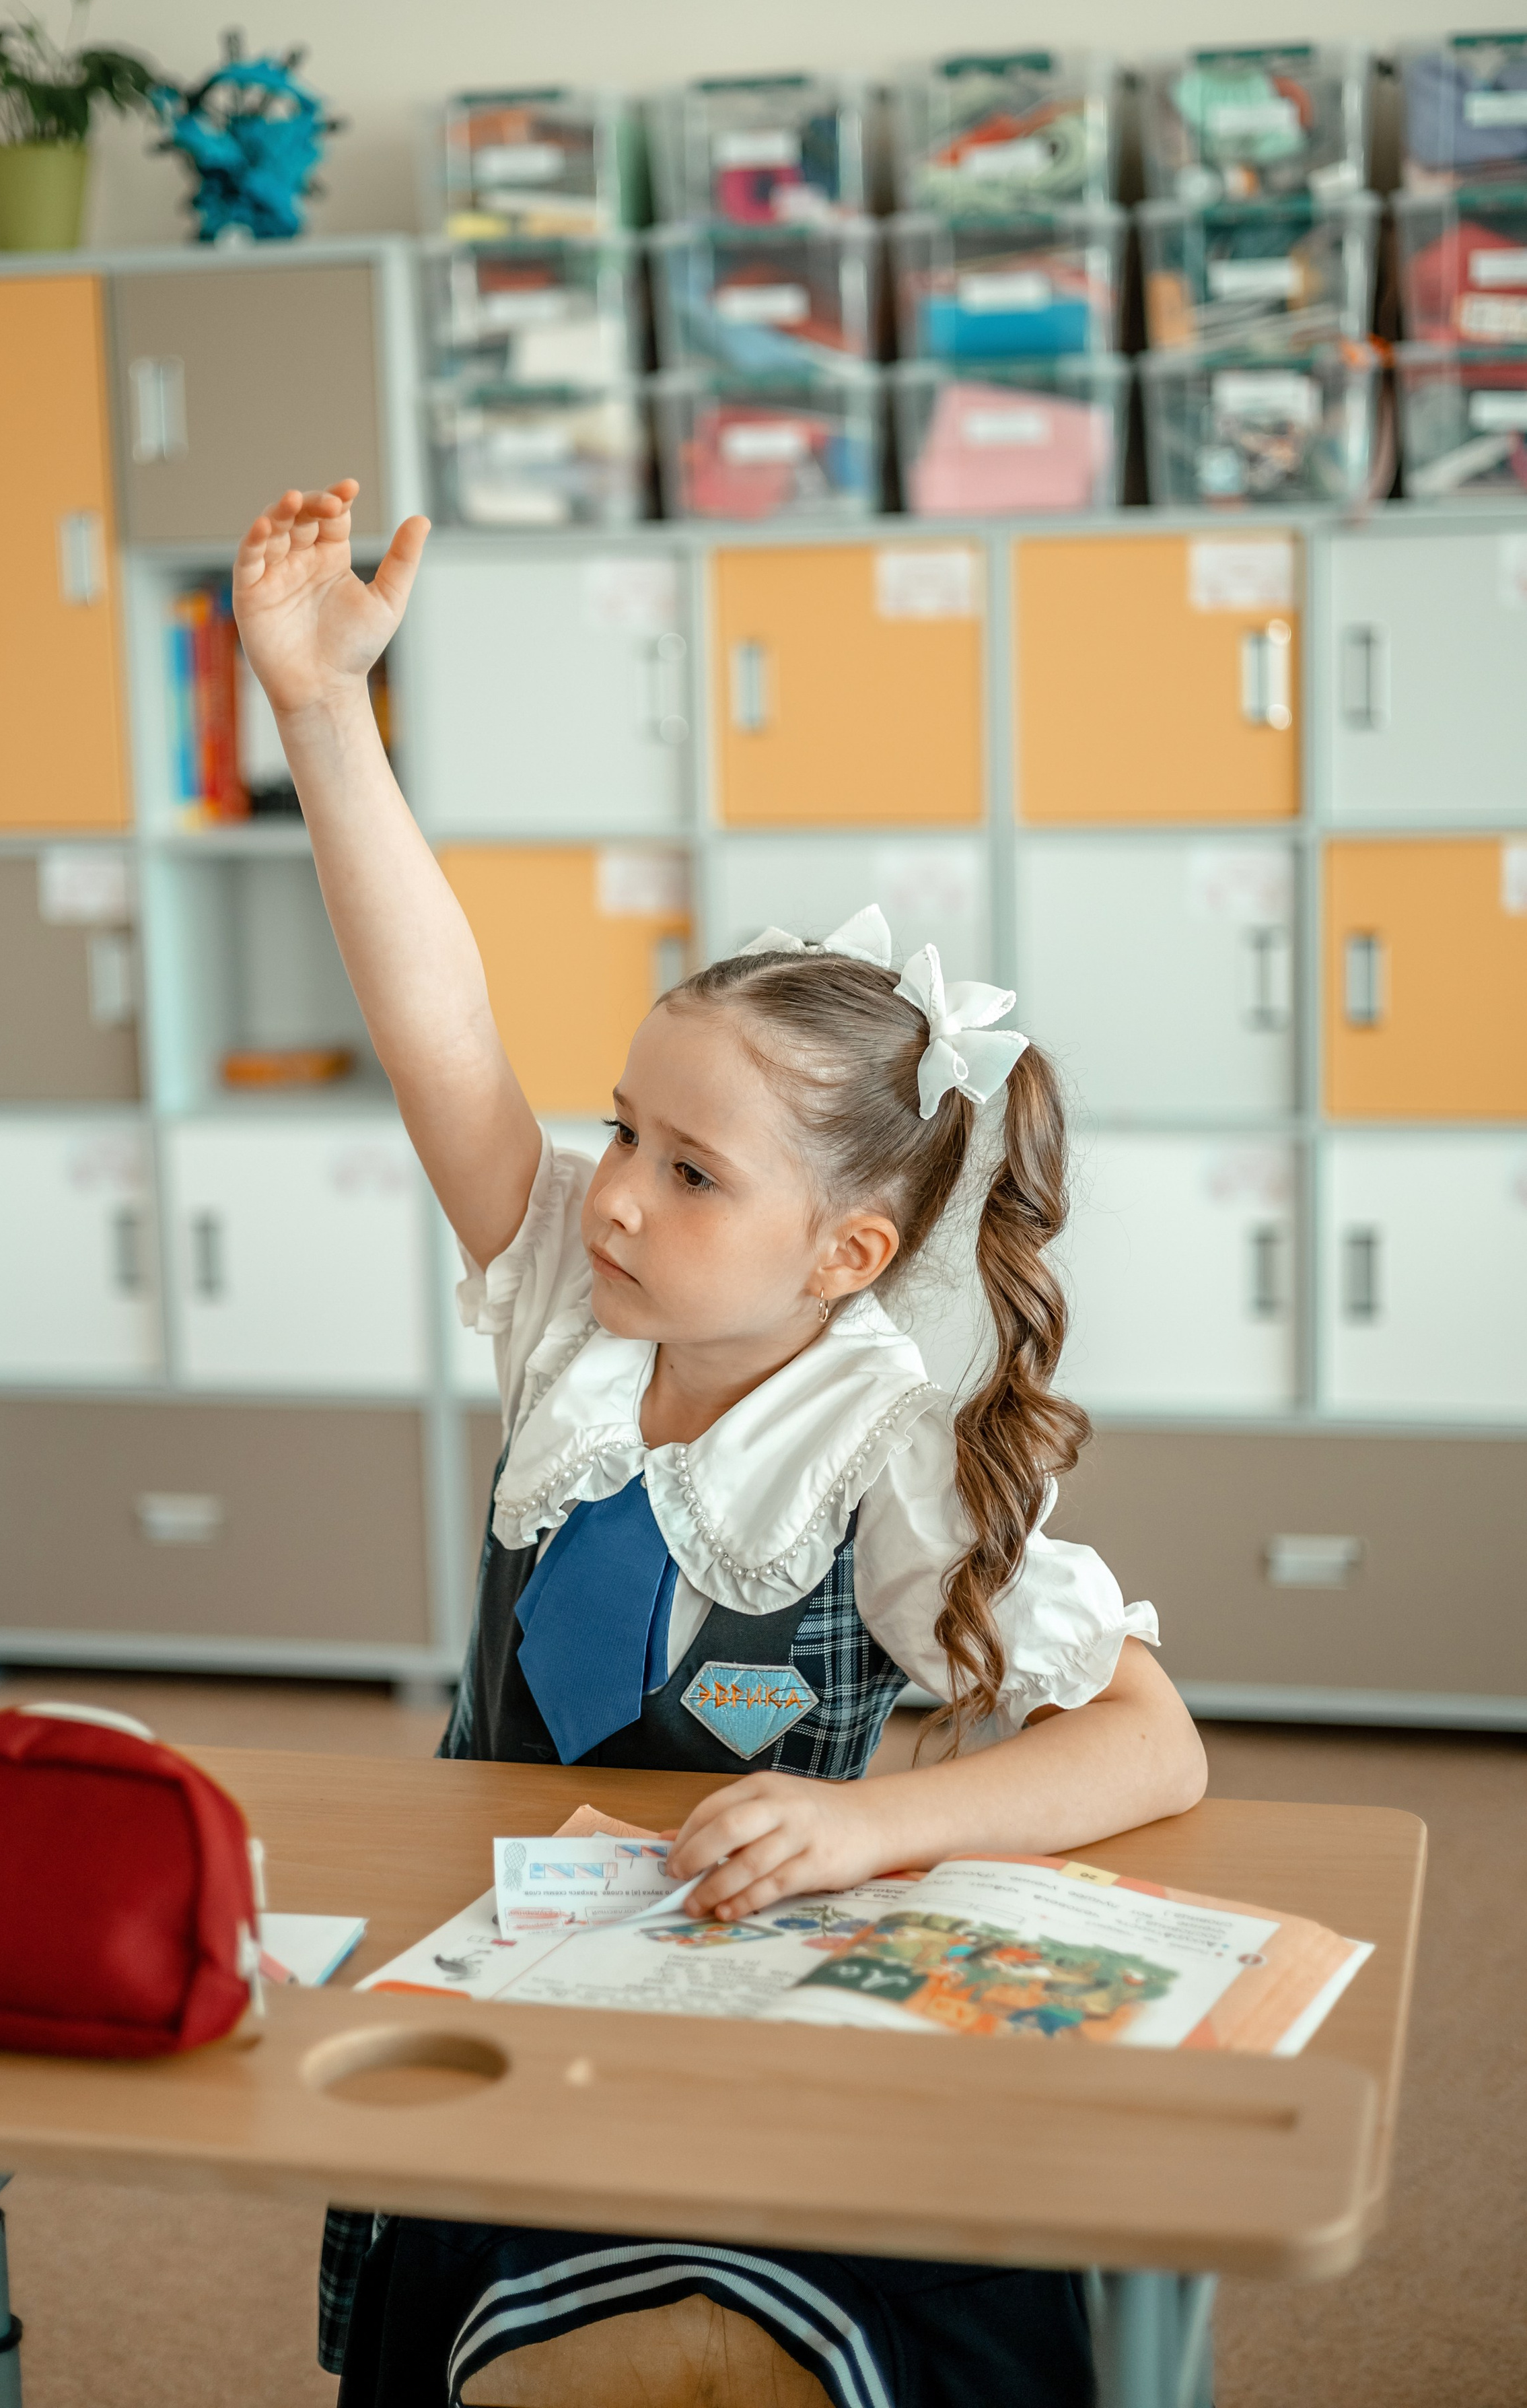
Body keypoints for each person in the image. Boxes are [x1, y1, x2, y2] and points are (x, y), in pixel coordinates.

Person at [234, 484, 1209, 2408]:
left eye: (690, 1173)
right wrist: (324, 714)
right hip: (514, 2003)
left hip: (777, 2040)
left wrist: (870, 1822)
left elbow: (1151, 1740)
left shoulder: (888, 1449)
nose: (610, 1195)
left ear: (843, 1256)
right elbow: (438, 1019)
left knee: (754, 2356)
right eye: (620, 1131)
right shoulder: (568, 1322)